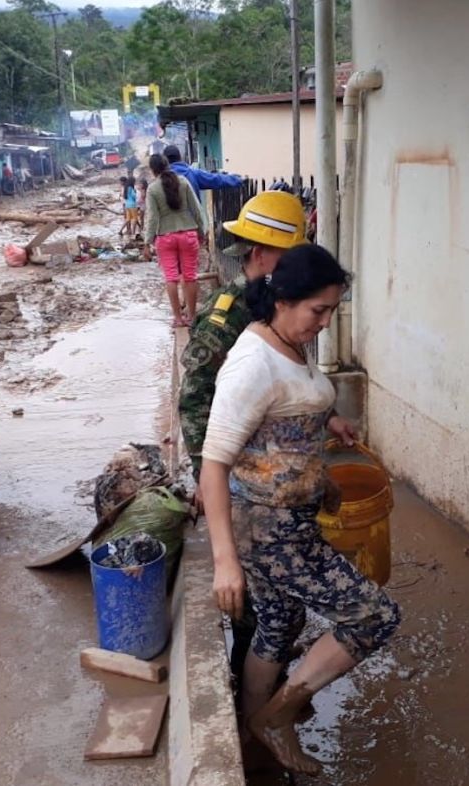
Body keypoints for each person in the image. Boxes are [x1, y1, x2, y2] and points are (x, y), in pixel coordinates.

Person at [201, 244, 400, 775]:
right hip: (268, 529)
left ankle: (250, 728)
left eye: (333, 310)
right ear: (284, 299)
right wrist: (225, 560)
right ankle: (277, 717)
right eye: (319, 310)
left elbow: (293, 399)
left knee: (279, 621)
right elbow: (213, 466)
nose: (326, 322)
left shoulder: (290, 342)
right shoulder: (250, 365)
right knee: (374, 615)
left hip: (290, 518)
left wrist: (326, 420)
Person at [178, 190, 324, 696]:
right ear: (261, 255)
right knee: (252, 606)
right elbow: (194, 399)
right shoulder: (228, 316)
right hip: (239, 484)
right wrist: (206, 471)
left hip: (270, 485)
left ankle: (266, 686)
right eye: (289, 258)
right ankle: (247, 700)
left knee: (277, 604)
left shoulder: (283, 303)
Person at [145, 153, 206, 328]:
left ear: (153, 170)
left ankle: (178, 319)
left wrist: (147, 242)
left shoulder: (152, 189)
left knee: (171, 278)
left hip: (165, 237)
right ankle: (192, 317)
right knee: (190, 277)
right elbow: (196, 209)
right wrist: (201, 231)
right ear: (168, 165)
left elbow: (152, 218)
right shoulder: (184, 182)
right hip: (188, 234)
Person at [163, 144, 243, 204]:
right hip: (193, 222)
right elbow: (215, 179)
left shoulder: (160, 180)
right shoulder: (193, 173)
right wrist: (237, 179)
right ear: (180, 157)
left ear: (164, 161)